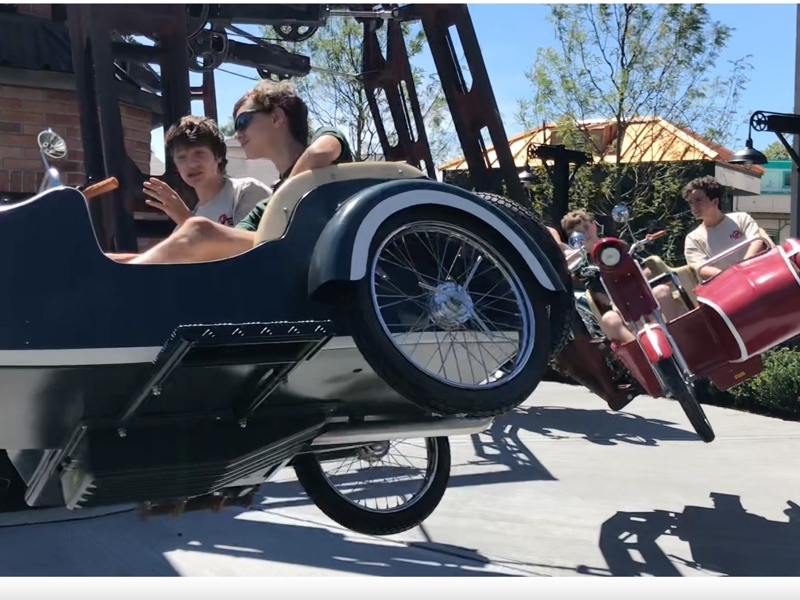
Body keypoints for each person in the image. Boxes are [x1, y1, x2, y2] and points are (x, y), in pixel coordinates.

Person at [125, 81, 354, 265]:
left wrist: (190, 224)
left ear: (276, 118)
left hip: (330, 258)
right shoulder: (270, 201)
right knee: (126, 258)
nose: (237, 135)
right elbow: (228, 240)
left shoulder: (324, 140)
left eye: (242, 122)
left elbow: (319, 153)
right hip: (286, 260)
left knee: (198, 230)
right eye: (181, 158)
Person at [108, 115, 272, 262]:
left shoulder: (247, 191)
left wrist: (184, 218)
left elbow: (246, 259)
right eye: (182, 157)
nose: (191, 164)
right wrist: (109, 260)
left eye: (199, 154)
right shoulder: (187, 222)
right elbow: (160, 262)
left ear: (219, 156)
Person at [560, 209, 682, 345]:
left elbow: (644, 270)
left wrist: (638, 286)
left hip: (643, 294)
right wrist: (614, 302)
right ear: (573, 239)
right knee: (610, 319)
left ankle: (680, 340)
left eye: (586, 227)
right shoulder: (584, 265)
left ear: (594, 225)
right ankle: (643, 355)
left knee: (662, 291)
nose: (585, 233)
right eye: (579, 233)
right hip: (619, 304)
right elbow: (598, 294)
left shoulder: (617, 245)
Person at [682, 176, 768, 280]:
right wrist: (732, 277)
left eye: (698, 200)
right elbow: (701, 268)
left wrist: (743, 269)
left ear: (715, 202)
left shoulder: (741, 218)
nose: (694, 206)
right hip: (726, 287)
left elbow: (757, 242)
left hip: (757, 277)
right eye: (691, 202)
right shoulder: (693, 239)